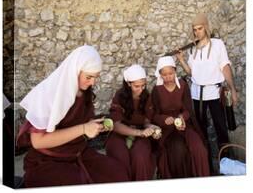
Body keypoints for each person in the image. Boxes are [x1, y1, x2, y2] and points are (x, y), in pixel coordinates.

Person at [17, 45, 129, 187]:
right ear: (74, 72)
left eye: (96, 77)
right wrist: (83, 129)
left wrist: (94, 125)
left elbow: (79, 120)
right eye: (88, 77)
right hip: (49, 158)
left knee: (117, 173)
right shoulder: (48, 94)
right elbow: (38, 142)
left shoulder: (85, 91)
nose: (92, 83)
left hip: (78, 152)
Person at [176, 13, 238, 171]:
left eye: (200, 28)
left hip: (215, 93)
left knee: (221, 129)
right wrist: (181, 60)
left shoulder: (217, 44)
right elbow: (192, 73)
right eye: (194, 29)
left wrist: (232, 89)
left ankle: (227, 166)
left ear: (206, 28)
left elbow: (225, 66)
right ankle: (207, 167)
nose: (197, 32)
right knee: (201, 130)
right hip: (197, 95)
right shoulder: (192, 50)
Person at [146, 56, 210, 178]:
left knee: (199, 148)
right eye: (164, 75)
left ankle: (203, 179)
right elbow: (154, 115)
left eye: (171, 73)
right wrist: (164, 119)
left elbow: (188, 109)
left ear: (175, 71)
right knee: (177, 149)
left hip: (185, 125)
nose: (168, 77)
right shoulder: (157, 90)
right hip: (167, 129)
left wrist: (182, 117)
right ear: (160, 75)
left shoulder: (183, 86)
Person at [105, 64, 159, 181]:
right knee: (120, 155)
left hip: (141, 132)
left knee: (141, 156)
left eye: (143, 85)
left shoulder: (146, 96)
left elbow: (146, 121)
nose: (141, 89)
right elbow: (116, 125)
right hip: (120, 133)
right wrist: (139, 132)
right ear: (128, 84)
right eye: (137, 86)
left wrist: (152, 127)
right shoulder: (120, 96)